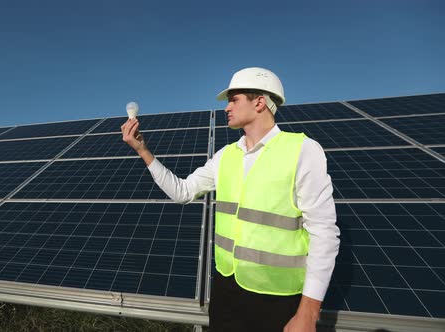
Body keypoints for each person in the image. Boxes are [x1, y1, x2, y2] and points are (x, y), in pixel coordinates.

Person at [121, 67, 340, 332]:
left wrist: (308, 312)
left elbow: (324, 233)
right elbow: (182, 191)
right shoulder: (225, 155)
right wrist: (142, 150)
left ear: (260, 102)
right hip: (226, 292)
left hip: (278, 298)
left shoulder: (302, 150)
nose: (227, 107)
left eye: (234, 99)